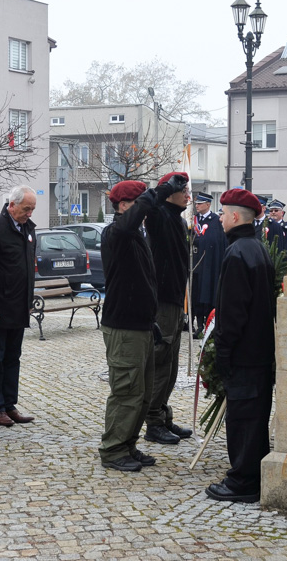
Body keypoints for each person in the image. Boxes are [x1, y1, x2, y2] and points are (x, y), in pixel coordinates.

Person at [99, 175, 189, 472]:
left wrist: (152, 319)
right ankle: (113, 450)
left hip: (141, 324)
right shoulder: (117, 232)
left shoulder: (135, 234)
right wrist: (161, 192)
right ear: (124, 206)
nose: (147, 210)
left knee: (142, 392)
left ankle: (128, 444)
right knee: (126, 391)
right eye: (140, 204)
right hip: (123, 326)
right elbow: (133, 219)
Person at [206, 188, 276, 503]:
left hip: (244, 354)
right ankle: (252, 475)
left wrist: (224, 353)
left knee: (243, 420)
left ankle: (244, 481)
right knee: (255, 417)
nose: (220, 219)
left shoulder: (238, 252)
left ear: (235, 216)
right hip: (259, 352)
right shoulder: (257, 248)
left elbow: (232, 312)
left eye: (223, 213)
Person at [143, 172, 194, 445]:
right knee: (161, 361)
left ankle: (163, 415)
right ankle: (152, 421)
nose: (188, 195)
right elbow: (149, 206)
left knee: (172, 363)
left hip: (175, 299)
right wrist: (163, 189)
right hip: (162, 300)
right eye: (182, 190)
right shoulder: (160, 215)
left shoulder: (177, 219)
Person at [0, 185, 37, 427]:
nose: (30, 213)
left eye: (33, 209)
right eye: (26, 208)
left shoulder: (28, 228)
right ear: (11, 205)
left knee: (13, 357)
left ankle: (9, 404)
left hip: (19, 305)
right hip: (0, 307)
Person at [190, 192, 226, 337]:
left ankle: (210, 324)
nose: (197, 206)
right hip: (197, 264)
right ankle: (198, 324)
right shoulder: (193, 221)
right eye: (196, 203)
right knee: (197, 294)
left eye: (200, 203)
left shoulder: (217, 221)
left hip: (212, 264)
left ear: (208, 204)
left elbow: (221, 243)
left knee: (210, 293)